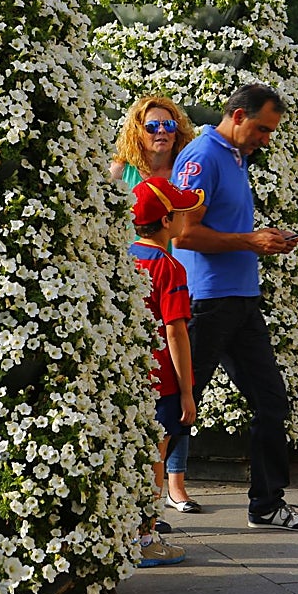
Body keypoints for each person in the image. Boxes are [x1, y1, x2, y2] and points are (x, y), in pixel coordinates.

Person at [172, 83, 298, 532]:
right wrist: (250, 240)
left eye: (270, 131)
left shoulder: (236, 156)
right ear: (237, 116)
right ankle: (137, 510)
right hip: (207, 302)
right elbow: (184, 234)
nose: (265, 140)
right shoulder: (202, 157)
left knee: (272, 403)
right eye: (261, 129)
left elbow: (224, 228)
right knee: (177, 408)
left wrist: (263, 238)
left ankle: (267, 505)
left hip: (240, 300)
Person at [110, 96, 202, 513]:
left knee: (160, 427)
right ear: (138, 131)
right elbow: (175, 333)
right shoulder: (122, 171)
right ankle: (147, 519)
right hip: (153, 281)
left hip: (162, 273)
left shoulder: (185, 166)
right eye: (152, 126)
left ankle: (168, 492)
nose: (161, 132)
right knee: (171, 410)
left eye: (168, 124)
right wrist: (188, 390)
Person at [128, 176, 206, 566]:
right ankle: (145, 540)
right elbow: (175, 331)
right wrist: (188, 391)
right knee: (154, 462)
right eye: (180, 212)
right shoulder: (169, 266)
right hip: (161, 384)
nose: (184, 217)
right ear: (166, 221)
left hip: (130, 379)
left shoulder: (125, 256)